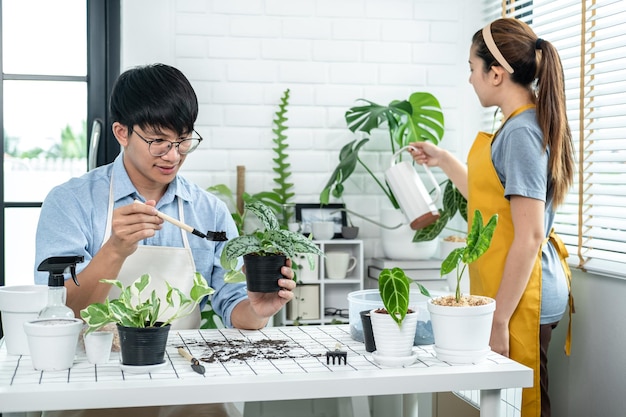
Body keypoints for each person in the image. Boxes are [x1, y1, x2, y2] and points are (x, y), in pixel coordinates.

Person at [34, 63, 296, 417]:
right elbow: (61, 314)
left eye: (183, 139)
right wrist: (115, 250)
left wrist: (257, 309)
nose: (173, 155)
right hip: (92, 380)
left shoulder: (209, 212)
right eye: (157, 140)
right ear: (121, 132)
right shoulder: (71, 202)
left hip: (183, 380)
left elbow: (235, 309)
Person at [409, 18, 574, 417]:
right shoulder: (517, 126)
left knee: (526, 407)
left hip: (523, 298)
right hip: (513, 291)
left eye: (471, 67)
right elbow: (492, 204)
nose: (470, 79)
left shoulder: (521, 133)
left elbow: (530, 234)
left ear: (495, 73)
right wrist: (445, 160)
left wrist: (498, 320)